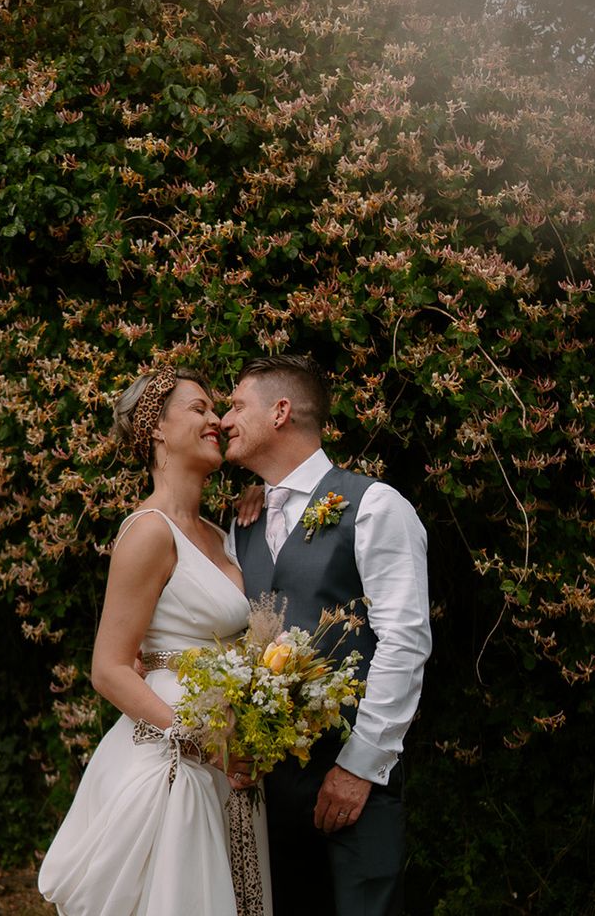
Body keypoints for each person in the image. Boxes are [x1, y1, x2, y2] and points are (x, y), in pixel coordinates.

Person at [38, 367, 272, 916]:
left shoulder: (222, 534)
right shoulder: (148, 531)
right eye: (198, 409)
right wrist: (202, 740)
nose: (216, 419)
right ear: (157, 429)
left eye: (215, 409)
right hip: (174, 764)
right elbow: (110, 669)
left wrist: (261, 508)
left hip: (230, 764)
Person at [221, 355, 431, 916]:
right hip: (267, 791)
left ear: (281, 412)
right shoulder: (239, 524)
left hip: (355, 782)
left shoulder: (375, 507)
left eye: (238, 404)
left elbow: (405, 643)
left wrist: (359, 767)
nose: (224, 418)